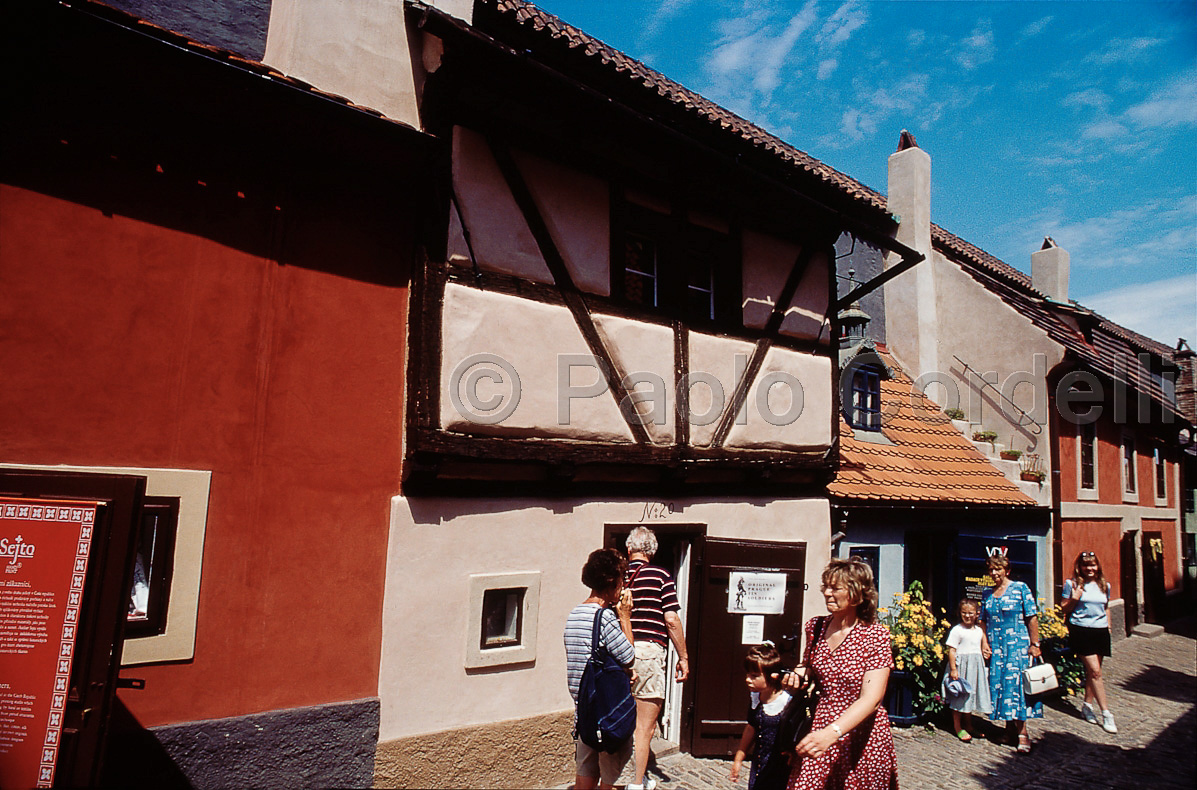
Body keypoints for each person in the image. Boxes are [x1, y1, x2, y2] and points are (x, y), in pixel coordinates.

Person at [781, 557, 898, 790]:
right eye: (826, 586)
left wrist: (832, 733)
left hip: (861, 735)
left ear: (856, 593)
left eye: (835, 588)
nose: (827, 593)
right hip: (819, 726)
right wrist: (798, 674)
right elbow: (808, 665)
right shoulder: (815, 627)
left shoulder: (875, 636)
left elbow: (872, 699)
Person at [564, 548, 637, 790]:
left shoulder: (574, 614)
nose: (623, 584)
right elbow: (628, 656)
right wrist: (624, 616)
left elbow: (589, 660)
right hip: (608, 714)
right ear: (611, 582)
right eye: (621, 579)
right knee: (612, 778)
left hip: (585, 713)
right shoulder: (603, 617)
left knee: (584, 777)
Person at [624, 527, 690, 790]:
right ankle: (637, 783)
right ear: (652, 551)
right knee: (644, 726)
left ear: (629, 550)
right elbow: (671, 619)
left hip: (619, 651)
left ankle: (611, 779)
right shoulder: (661, 575)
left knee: (618, 718)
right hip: (648, 652)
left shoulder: (619, 576)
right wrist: (683, 656)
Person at [979, 554, 1041, 754]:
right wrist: (984, 643)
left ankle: (1023, 733)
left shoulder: (1020, 588)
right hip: (997, 648)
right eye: (991, 570)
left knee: (1016, 688)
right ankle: (1009, 729)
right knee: (1001, 686)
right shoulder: (987, 594)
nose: (994, 573)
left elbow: (1031, 617)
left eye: (998, 569)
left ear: (1007, 570)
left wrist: (1035, 643)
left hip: (1017, 646)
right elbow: (982, 621)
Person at [1060, 550, 1117, 734]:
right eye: (1086, 565)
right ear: (1080, 567)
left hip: (1100, 631)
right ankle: (1106, 714)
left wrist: (1108, 627)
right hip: (1081, 630)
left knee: (1094, 673)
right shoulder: (1073, 584)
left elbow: (1106, 607)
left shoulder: (1104, 585)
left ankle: (1087, 706)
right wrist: (1075, 598)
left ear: (1097, 566)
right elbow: (1064, 607)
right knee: (1095, 672)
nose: (1089, 568)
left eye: (1092, 564)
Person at [730, 642, 792, 790]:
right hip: (759, 763)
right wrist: (740, 756)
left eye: (754, 676)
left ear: (773, 677)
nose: (747, 679)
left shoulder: (786, 703)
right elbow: (751, 727)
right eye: (747, 675)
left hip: (779, 768)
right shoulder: (756, 698)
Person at [941, 599, 992, 741]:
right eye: (964, 613)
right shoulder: (957, 630)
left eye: (970, 613)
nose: (967, 616)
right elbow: (952, 651)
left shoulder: (979, 631)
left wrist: (986, 651)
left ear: (977, 614)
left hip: (975, 667)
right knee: (959, 696)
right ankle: (958, 726)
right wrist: (953, 669)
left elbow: (982, 647)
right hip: (961, 666)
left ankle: (969, 725)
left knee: (970, 696)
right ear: (960, 613)